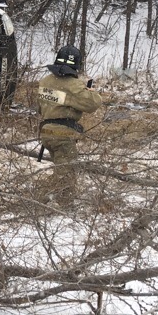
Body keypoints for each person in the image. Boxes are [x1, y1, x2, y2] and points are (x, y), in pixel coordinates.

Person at [37, 45, 102, 205]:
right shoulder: (74, 85)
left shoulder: (44, 81)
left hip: (46, 133)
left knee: (61, 169)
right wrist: (91, 90)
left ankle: (45, 197)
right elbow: (93, 105)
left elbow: (42, 107)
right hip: (63, 135)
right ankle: (61, 205)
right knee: (67, 173)